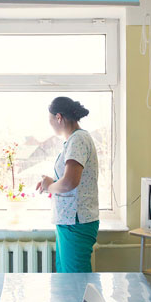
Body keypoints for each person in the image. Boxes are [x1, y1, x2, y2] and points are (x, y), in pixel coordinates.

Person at [36, 97, 99, 273]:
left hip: (76, 222)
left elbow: (70, 182)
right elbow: (68, 179)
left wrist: (50, 186)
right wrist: (50, 182)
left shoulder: (78, 139)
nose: (50, 125)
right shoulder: (75, 139)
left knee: (75, 281)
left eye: (50, 120)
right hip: (70, 220)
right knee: (65, 279)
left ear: (58, 117)